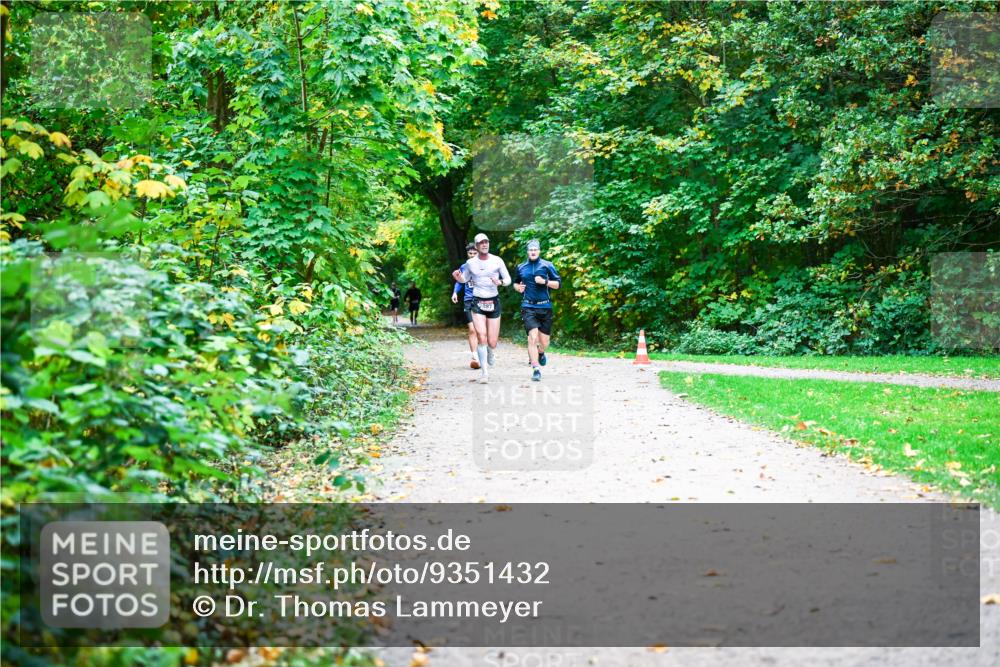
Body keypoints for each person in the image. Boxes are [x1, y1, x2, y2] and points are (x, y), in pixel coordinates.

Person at [452, 232, 511, 383]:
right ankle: (484, 373)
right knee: (481, 336)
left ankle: (491, 352)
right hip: (477, 301)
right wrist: (458, 277)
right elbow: (465, 279)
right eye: (481, 243)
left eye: (486, 242)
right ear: (477, 246)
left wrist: (501, 283)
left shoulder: (497, 260)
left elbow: (508, 279)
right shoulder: (470, 264)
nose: (485, 244)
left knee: (492, 342)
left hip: (493, 301)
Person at [513, 239, 561, 381]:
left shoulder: (547, 265)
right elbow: (516, 283)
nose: (533, 252)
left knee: (544, 342)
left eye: (535, 250)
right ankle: (536, 369)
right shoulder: (521, 267)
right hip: (528, 306)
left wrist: (545, 281)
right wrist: (518, 288)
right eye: (530, 250)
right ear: (527, 252)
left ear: (539, 251)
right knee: (532, 338)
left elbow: (558, 284)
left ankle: (541, 353)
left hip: (545, 306)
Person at [452, 243, 480, 369]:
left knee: (482, 331)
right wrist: (455, 293)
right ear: (467, 254)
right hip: (469, 300)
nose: (473, 255)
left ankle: (483, 353)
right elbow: (459, 282)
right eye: (470, 253)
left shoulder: (485, 265)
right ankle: (474, 357)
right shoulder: (464, 267)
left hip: (483, 300)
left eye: (475, 253)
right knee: (472, 329)